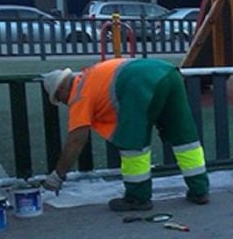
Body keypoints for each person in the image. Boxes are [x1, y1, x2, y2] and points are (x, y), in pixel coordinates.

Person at [39, 58, 210, 211]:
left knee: (133, 143)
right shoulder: (91, 75)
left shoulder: (79, 95)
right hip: (168, 72)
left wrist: (58, 175)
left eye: (59, 99)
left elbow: (76, 141)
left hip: (138, 83)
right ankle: (200, 190)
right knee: (184, 137)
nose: (63, 103)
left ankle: (137, 198)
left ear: (61, 90)